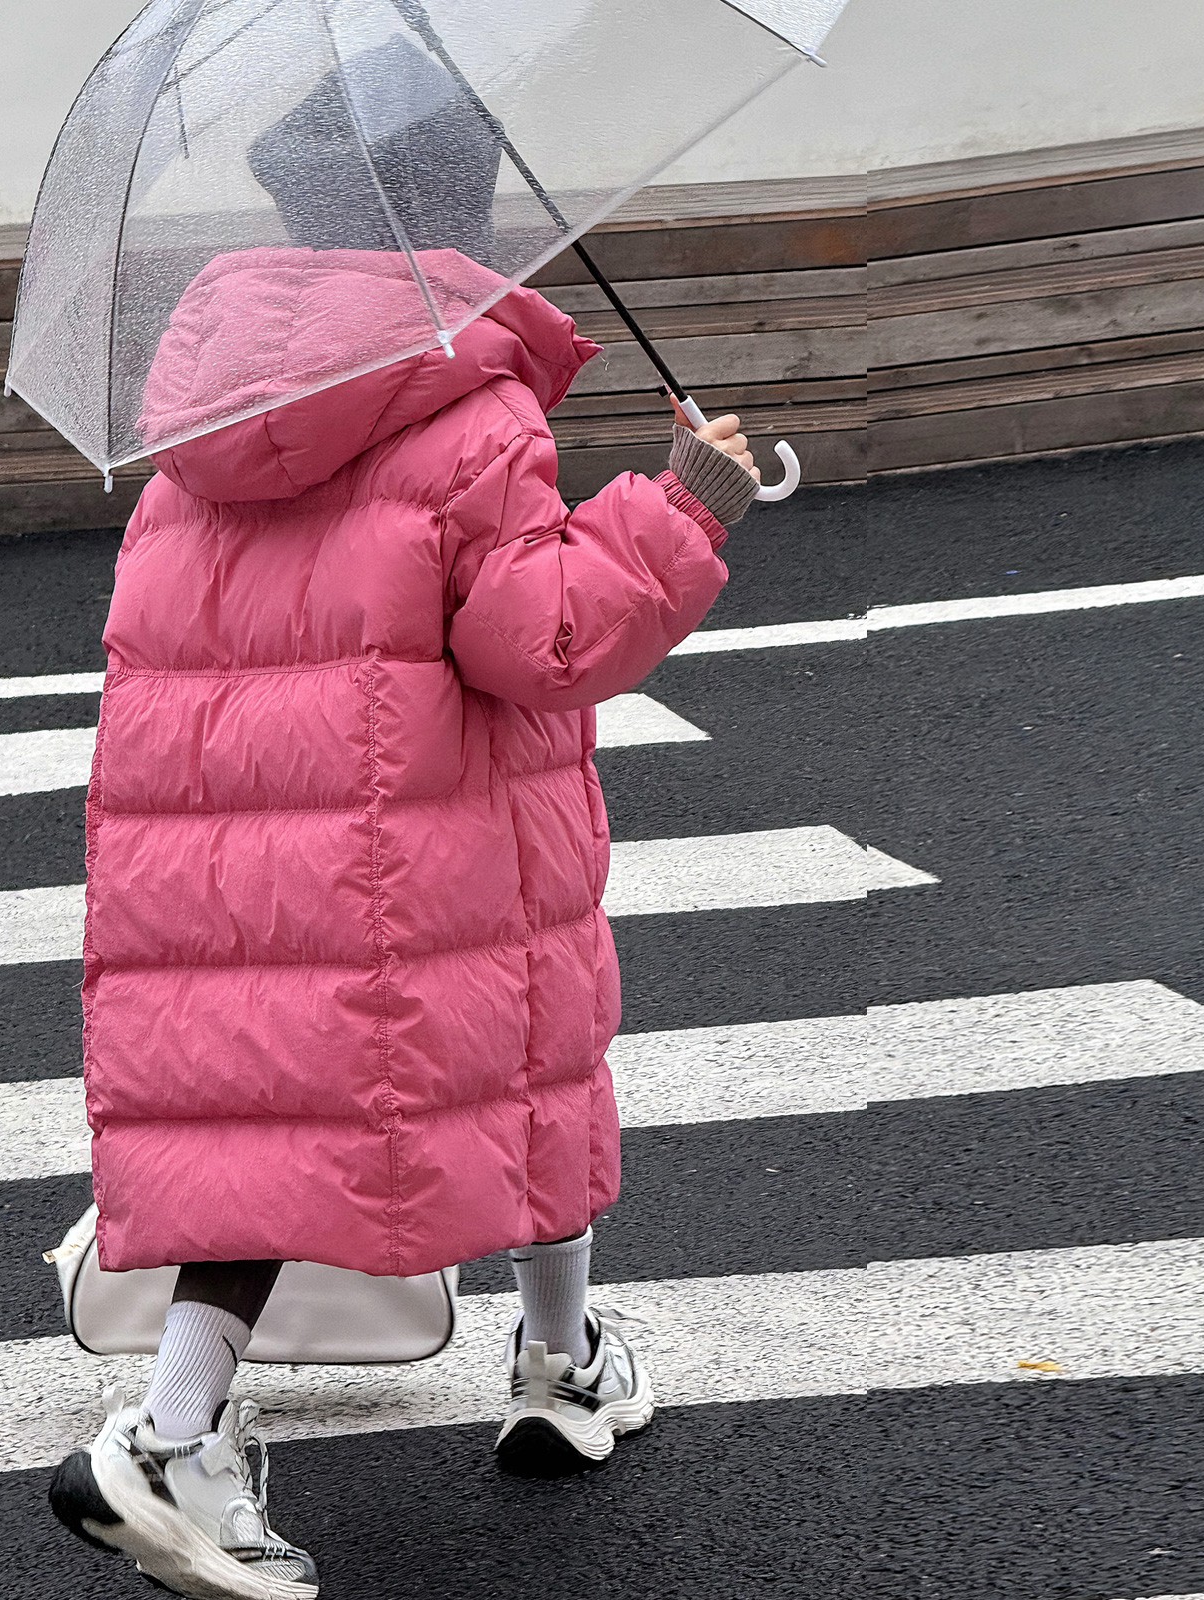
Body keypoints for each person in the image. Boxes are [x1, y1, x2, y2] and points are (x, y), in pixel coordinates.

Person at [47, 54, 761, 1600]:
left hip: (225, 851)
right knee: (529, 1051)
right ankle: (185, 1435)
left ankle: (549, 1366)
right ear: (471, 205)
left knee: (270, 1136)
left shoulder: (210, 408)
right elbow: (542, 642)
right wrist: (683, 505)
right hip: (425, 835)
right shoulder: (468, 401)